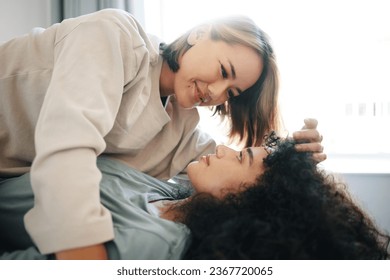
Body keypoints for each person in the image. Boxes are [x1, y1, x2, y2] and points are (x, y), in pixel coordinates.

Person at [0, 8, 325, 259]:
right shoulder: (115, 36)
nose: (216, 92)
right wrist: (84, 261)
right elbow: (67, 146)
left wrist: (293, 160)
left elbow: (239, 184)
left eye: (232, 92)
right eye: (224, 72)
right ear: (200, 33)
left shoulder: (180, 127)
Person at [0, 134, 387, 260]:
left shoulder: (153, 242)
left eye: (242, 156)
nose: (226, 149)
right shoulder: (179, 194)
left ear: (247, 198)